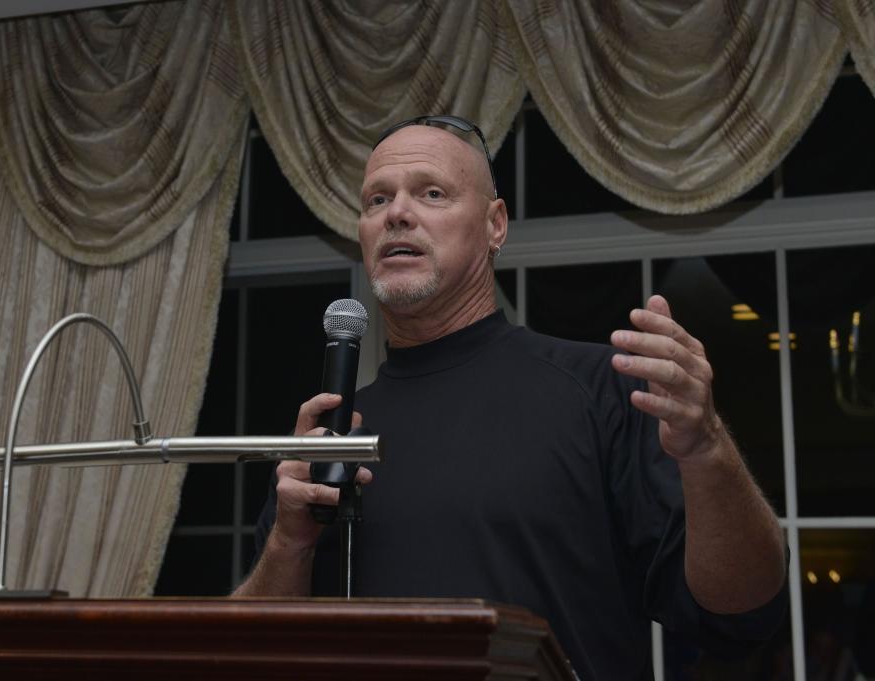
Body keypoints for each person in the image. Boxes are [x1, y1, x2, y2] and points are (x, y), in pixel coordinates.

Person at [233, 116, 788, 680]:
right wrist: (289, 541)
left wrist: (707, 450)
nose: (397, 212)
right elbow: (245, 661)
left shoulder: (601, 389)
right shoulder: (334, 437)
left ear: (495, 225)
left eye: (431, 192)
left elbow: (742, 609)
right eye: (377, 199)